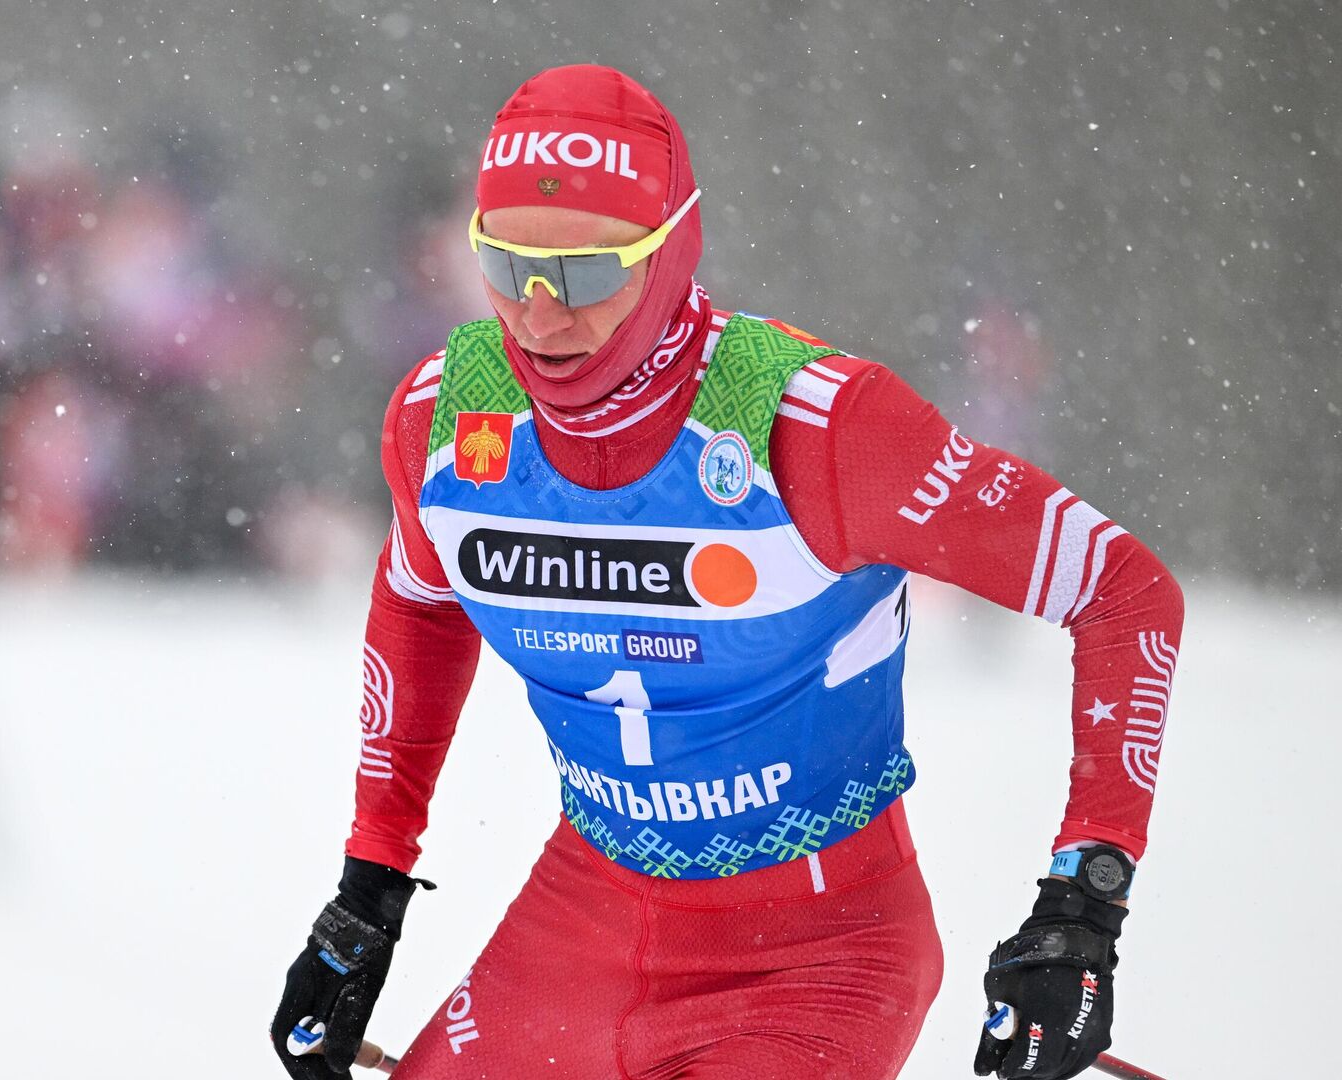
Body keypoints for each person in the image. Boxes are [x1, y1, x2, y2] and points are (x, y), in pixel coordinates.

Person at [271, 66, 1183, 1080]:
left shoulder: (822, 427)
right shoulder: (446, 417)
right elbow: (420, 603)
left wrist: (1083, 907)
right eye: (507, 264)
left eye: (585, 275)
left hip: (817, 955)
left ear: (670, 250)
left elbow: (1122, 588)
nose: (539, 315)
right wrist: (369, 893)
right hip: (581, 931)